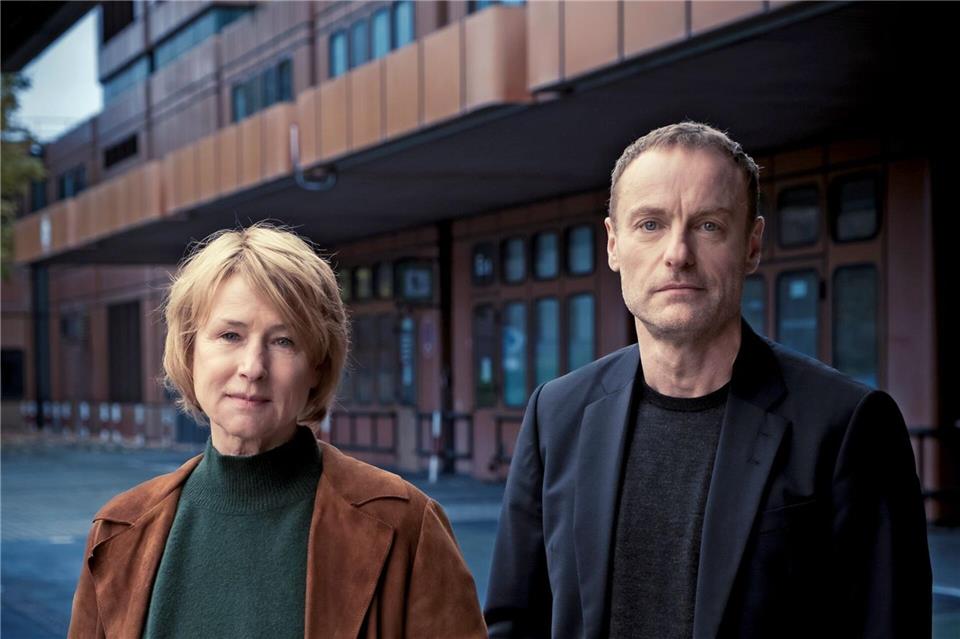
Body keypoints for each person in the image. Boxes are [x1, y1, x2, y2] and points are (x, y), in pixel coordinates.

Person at [484, 122, 931, 638]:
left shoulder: (847, 425)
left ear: (752, 245)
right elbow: (514, 622)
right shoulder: (554, 414)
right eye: (650, 224)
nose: (678, 253)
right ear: (612, 245)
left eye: (709, 225)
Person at [68, 223, 486, 638]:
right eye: (230, 335)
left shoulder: (404, 526)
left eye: (284, 341)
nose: (253, 367)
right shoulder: (119, 533)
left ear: (317, 365)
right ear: (189, 350)